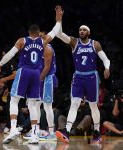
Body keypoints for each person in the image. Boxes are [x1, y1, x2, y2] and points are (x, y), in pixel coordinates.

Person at [0, 18, 62, 144]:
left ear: (29, 32)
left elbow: (10, 54)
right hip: (36, 74)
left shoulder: (22, 40)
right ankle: (35, 135)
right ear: (38, 32)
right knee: (32, 105)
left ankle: (13, 128)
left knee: (14, 100)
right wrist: (59, 20)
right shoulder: (44, 42)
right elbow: (54, 31)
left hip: (24, 71)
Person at [54, 6, 110, 143]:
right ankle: (66, 131)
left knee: (93, 105)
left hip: (91, 77)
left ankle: (96, 132)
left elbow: (105, 59)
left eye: (84, 29)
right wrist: (59, 19)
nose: (81, 31)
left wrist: (107, 68)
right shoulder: (74, 42)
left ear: (89, 32)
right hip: (78, 77)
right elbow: (59, 35)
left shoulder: (95, 44)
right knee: (74, 103)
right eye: (80, 29)